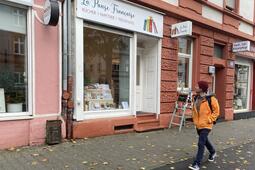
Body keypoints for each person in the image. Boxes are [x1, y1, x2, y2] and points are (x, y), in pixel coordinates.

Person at [188, 81, 220, 170]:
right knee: (205, 141)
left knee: (201, 143)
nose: (195, 86)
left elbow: (216, 112)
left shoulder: (211, 99)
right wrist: (194, 121)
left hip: (207, 125)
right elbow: (194, 111)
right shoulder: (195, 98)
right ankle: (213, 152)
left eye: (197, 86)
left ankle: (196, 164)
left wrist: (209, 120)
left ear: (201, 88)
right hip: (198, 125)